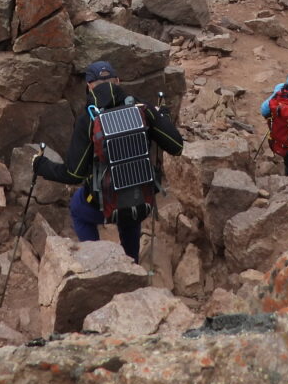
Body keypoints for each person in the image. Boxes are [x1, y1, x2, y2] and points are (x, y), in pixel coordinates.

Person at [32, 60, 183, 263]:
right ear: (118, 81)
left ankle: (96, 262)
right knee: (130, 210)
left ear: (89, 86)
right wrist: (162, 116)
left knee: (78, 209)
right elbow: (176, 146)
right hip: (140, 199)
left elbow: (74, 174)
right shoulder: (142, 108)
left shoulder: (89, 120)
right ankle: (131, 264)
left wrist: (40, 165)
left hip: (101, 204)